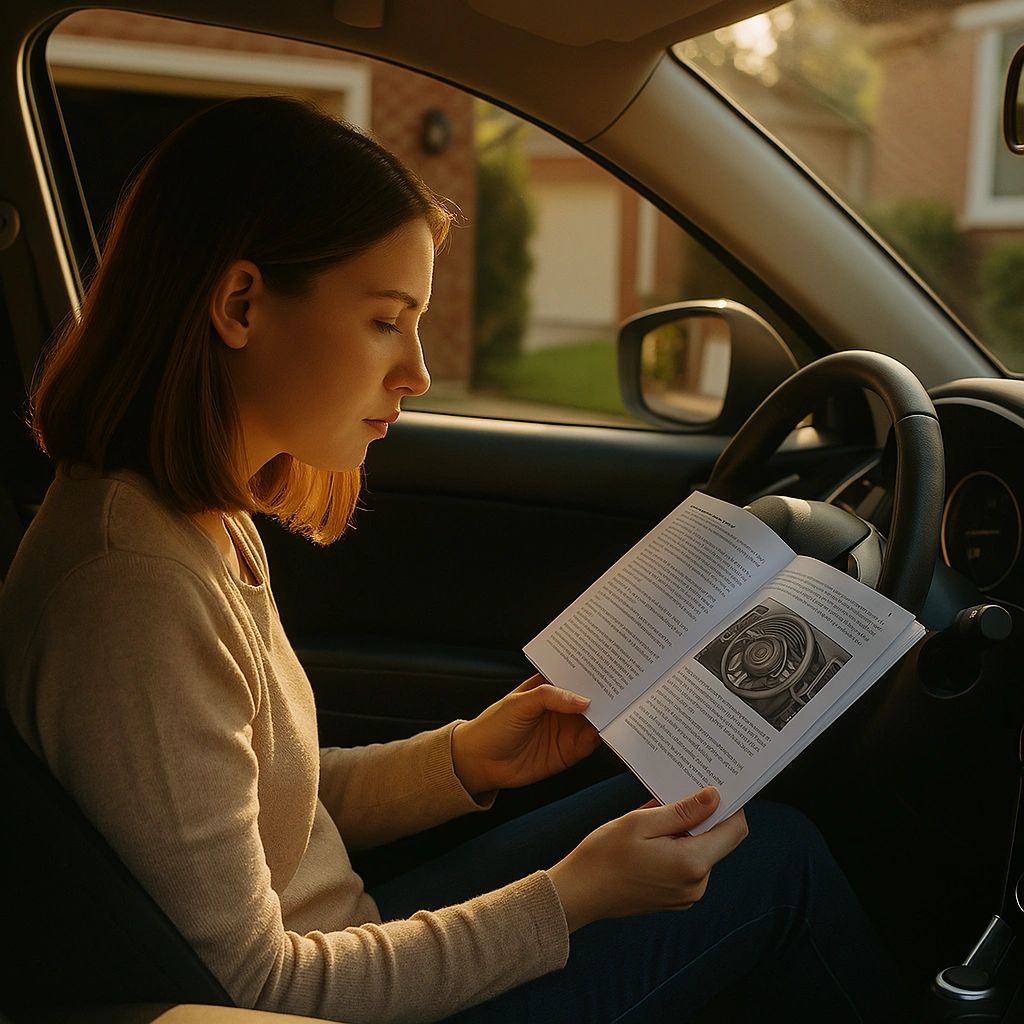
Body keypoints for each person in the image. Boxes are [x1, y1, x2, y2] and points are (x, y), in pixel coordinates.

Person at [0, 96, 906, 1023]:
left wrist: (467, 756)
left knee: (693, 816)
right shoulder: (133, 588)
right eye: (386, 321)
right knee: (775, 865)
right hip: (319, 1002)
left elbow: (274, 809)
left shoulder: (191, 518)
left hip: (346, 940)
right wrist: (572, 897)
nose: (419, 372)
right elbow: (255, 990)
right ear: (240, 305)